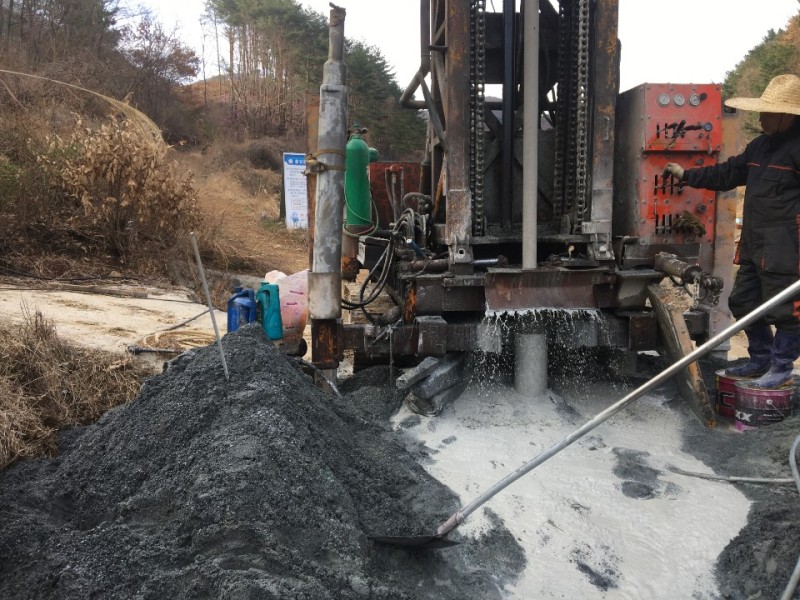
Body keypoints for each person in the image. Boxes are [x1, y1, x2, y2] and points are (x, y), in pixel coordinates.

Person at [663, 74, 800, 389]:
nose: (761, 118)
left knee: (788, 311)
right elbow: (728, 172)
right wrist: (688, 175)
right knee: (743, 300)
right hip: (754, 242)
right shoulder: (760, 147)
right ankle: (760, 359)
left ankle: (781, 368)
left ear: (787, 115)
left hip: (788, 247)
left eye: (768, 112)